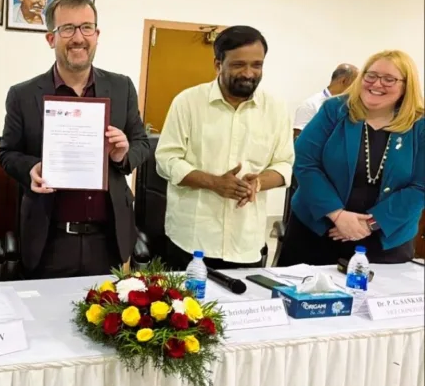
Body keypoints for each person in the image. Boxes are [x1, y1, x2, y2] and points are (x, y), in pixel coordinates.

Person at [0, 0, 150, 279]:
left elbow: (142, 143)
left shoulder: (122, 88)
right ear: (50, 38)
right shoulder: (23, 94)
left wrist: (123, 154)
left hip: (108, 240)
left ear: (97, 34)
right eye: (67, 28)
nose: (78, 37)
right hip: (48, 240)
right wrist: (30, 168)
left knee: (107, 321)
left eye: (86, 27)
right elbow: (7, 153)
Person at [154, 25, 294, 270]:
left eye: (257, 65)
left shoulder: (276, 109)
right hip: (191, 240)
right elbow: (166, 160)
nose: (249, 73)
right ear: (218, 64)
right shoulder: (188, 102)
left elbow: (284, 164)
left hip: (245, 242)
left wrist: (258, 182)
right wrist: (214, 183)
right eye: (239, 65)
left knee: (239, 307)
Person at [277, 50, 424, 266]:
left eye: (389, 79)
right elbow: (305, 162)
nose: (376, 84)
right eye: (370, 75)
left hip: (386, 241)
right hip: (317, 231)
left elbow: (421, 187)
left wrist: (369, 224)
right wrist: (337, 215)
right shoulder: (334, 110)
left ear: (406, 85)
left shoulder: (419, 125)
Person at [293, 63, 358, 138]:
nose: (358, 89)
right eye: (355, 84)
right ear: (343, 81)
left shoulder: (350, 107)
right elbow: (298, 139)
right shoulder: (310, 105)